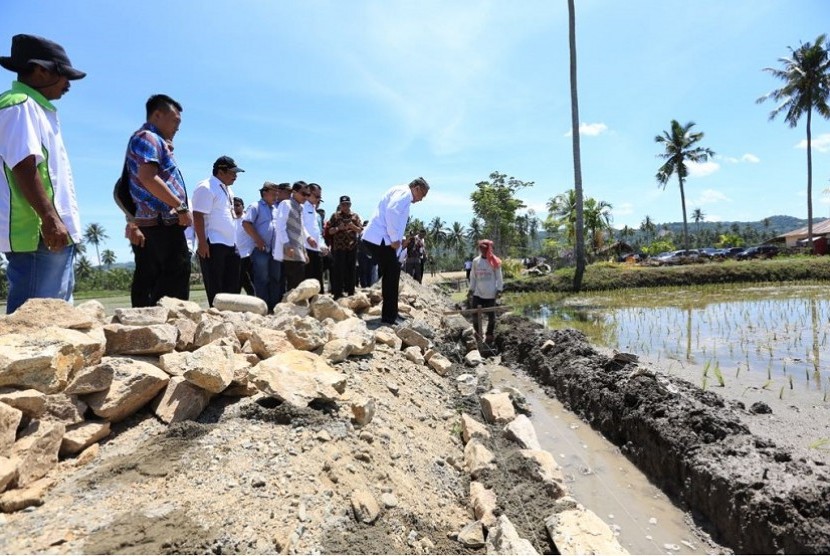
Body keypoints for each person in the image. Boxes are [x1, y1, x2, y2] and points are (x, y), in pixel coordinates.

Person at [0, 34, 85, 313]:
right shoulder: (19, 104)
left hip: (49, 233)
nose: (68, 84)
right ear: (40, 70)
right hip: (37, 233)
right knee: (34, 322)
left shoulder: (36, 108)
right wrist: (49, 218)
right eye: (64, 75)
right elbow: (24, 165)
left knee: (56, 316)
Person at [123, 94, 191, 307]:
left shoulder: (151, 140)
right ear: (157, 115)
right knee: (174, 276)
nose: (177, 126)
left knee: (152, 276)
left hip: (156, 222)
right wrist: (179, 207)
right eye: (175, 120)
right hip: (160, 222)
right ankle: (165, 325)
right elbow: (148, 177)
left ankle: (147, 325)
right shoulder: (148, 138)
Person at [361, 177, 429, 325]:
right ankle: (389, 317)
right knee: (392, 273)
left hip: (379, 239)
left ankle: (391, 314)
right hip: (379, 239)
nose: (421, 199)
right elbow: (392, 211)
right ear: (416, 188)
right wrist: (394, 238)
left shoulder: (401, 192)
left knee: (392, 273)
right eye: (422, 195)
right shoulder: (405, 193)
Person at [192, 156, 244, 306]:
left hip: (230, 243)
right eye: (232, 172)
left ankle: (231, 319)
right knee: (216, 287)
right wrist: (202, 243)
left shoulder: (228, 189)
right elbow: (198, 215)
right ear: (221, 171)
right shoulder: (206, 187)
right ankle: (217, 321)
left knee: (232, 285)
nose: (235, 176)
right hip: (213, 243)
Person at [243, 182, 282, 311]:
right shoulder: (255, 206)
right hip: (261, 249)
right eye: (273, 193)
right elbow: (246, 224)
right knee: (262, 278)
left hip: (275, 251)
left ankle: (274, 307)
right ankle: (262, 307)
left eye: (277, 193)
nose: (276, 196)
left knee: (275, 278)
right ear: (265, 193)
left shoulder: (276, 209)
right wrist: (258, 240)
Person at [274, 181, 316, 293]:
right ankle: (289, 307)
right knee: (293, 282)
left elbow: (300, 229)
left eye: (308, 195)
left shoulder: (300, 207)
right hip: (289, 250)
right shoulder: (286, 204)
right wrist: (287, 245)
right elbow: (280, 226)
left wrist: (305, 248)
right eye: (303, 194)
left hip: (297, 249)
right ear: (294, 192)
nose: (306, 197)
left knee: (298, 280)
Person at [468, 239, 503, 344]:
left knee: (491, 317)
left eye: (484, 248)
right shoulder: (475, 261)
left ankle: (489, 335)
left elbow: (499, 277)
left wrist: (499, 289)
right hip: (478, 293)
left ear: (488, 249)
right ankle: (478, 334)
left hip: (490, 294)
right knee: (475, 315)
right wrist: (471, 289)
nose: (482, 250)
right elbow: (473, 277)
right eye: (481, 248)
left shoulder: (494, 261)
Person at [328, 195, 363, 299]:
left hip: (352, 247)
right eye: (343, 204)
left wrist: (353, 227)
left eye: (347, 204)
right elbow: (329, 231)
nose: (345, 206)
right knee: (338, 270)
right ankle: (337, 294)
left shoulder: (355, 216)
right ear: (340, 205)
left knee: (351, 270)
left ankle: (351, 293)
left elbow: (361, 230)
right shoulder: (335, 216)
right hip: (339, 248)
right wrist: (338, 228)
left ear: (350, 204)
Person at [303, 183, 327, 292]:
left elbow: (317, 230)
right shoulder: (302, 207)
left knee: (318, 281)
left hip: (316, 249)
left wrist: (323, 245)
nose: (318, 199)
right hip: (306, 248)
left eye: (320, 197)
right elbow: (300, 225)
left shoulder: (314, 210)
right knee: (307, 281)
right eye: (316, 196)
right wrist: (308, 237)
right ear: (309, 193)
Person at [233, 196, 255, 295]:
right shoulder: (229, 220)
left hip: (248, 255)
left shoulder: (248, 220)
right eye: (233, 206)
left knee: (250, 283)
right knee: (237, 283)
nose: (235, 208)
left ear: (243, 206)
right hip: (235, 257)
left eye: (238, 205)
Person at [356, 220, 378, 288]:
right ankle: (366, 286)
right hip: (364, 254)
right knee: (365, 271)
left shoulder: (371, 232)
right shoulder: (363, 232)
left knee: (366, 271)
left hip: (367, 254)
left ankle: (366, 286)